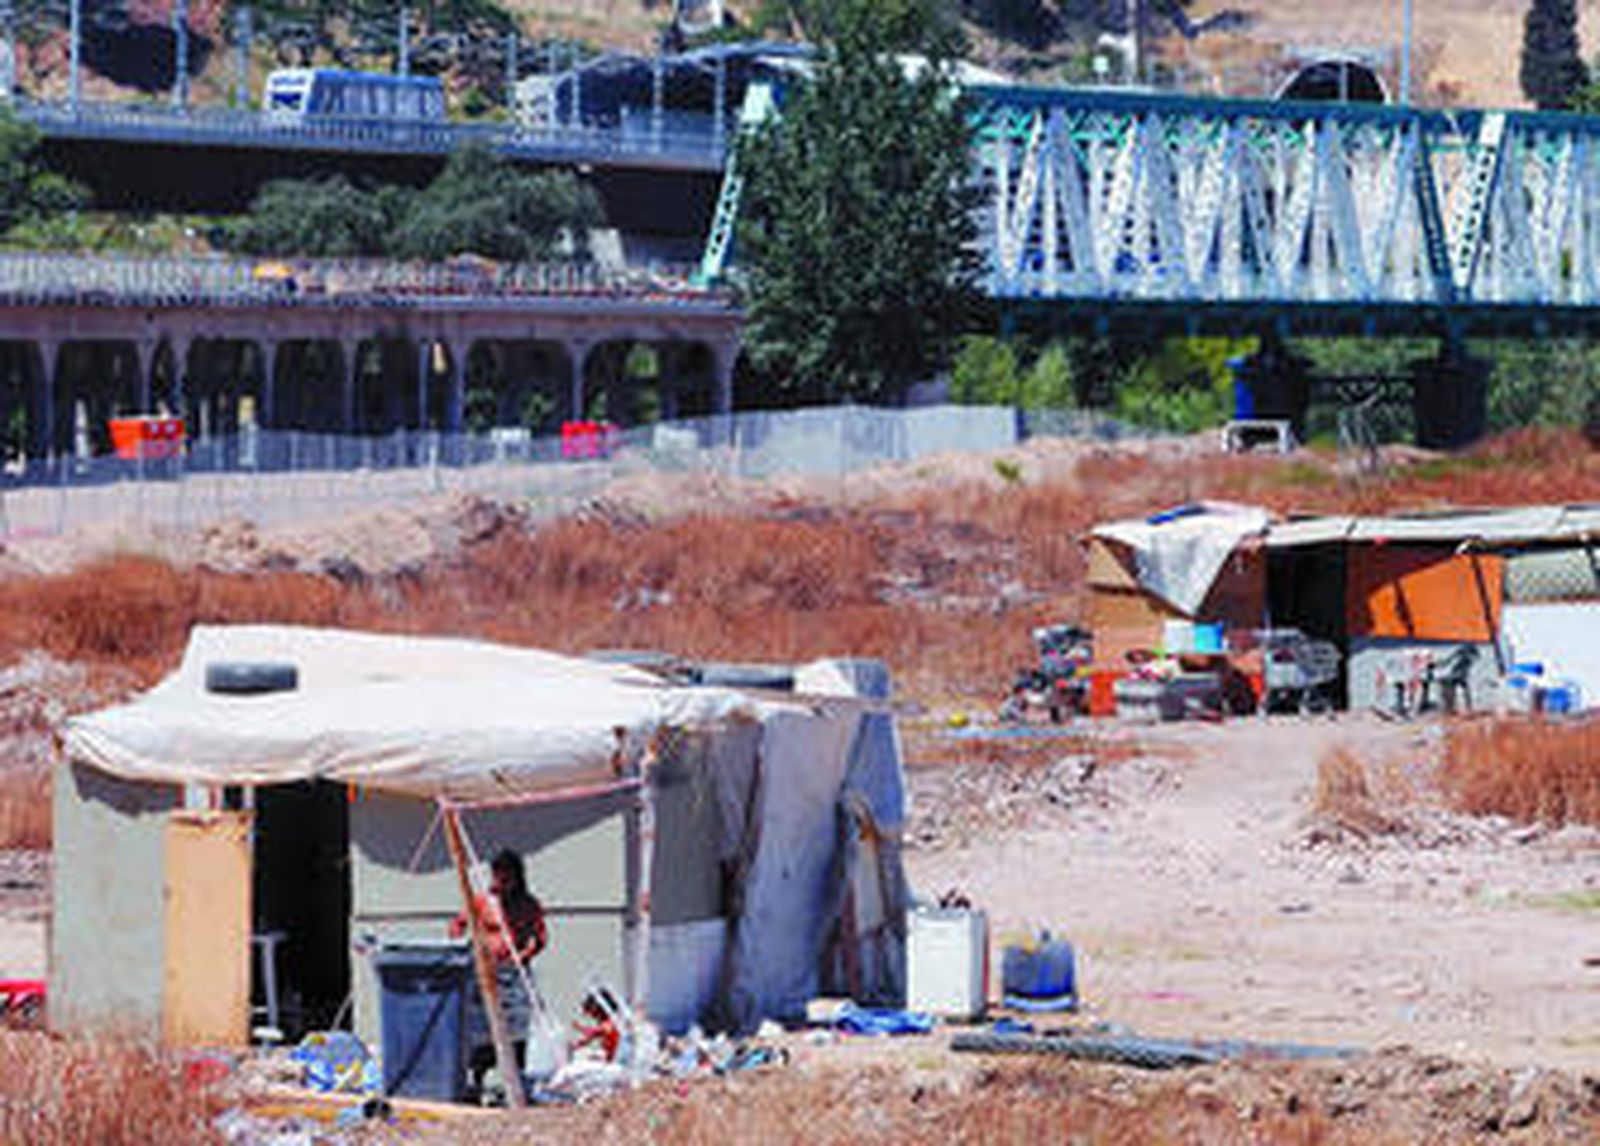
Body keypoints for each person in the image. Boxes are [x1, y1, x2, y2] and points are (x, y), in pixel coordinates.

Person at [450, 848, 547, 1097]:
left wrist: (523, 956)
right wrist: (466, 952)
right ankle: (477, 1080)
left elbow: (541, 938)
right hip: (485, 973)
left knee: (516, 1031)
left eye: (507, 879)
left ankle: (515, 1082)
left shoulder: (529, 904)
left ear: (517, 877)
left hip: (515, 974)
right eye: (497, 878)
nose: (501, 884)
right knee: (482, 1030)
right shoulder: (482, 902)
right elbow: (457, 926)